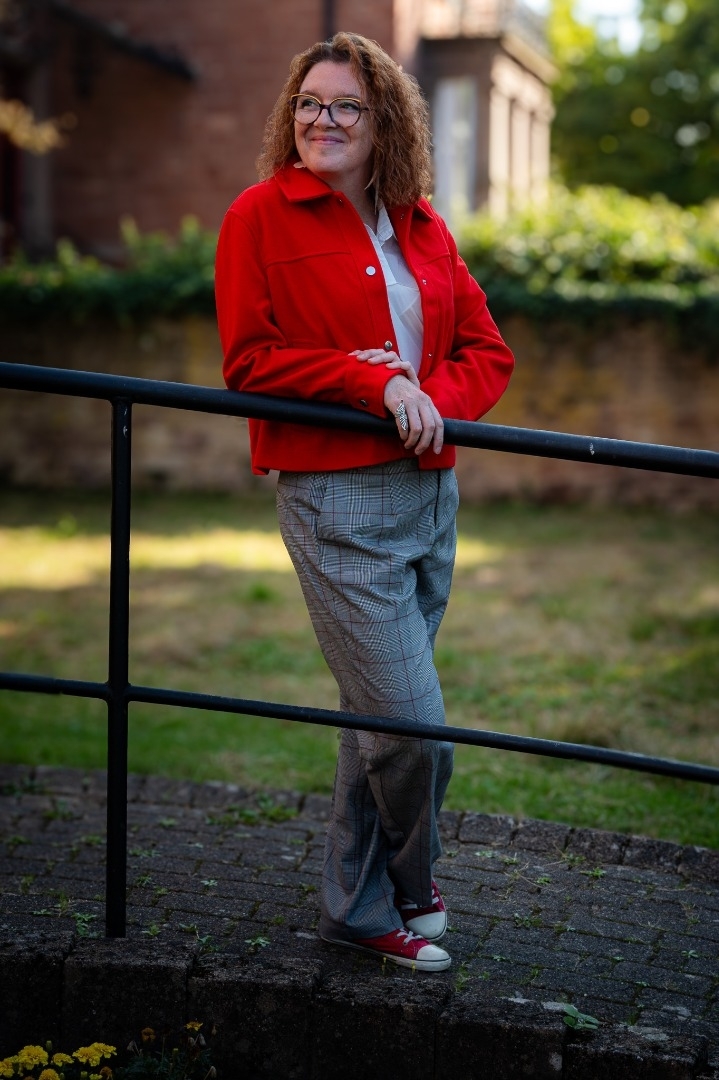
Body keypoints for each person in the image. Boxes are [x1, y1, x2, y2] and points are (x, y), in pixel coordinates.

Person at [215, 31, 514, 973]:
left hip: (429, 498)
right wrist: (370, 382)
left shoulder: (421, 224)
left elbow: (486, 352)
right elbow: (250, 360)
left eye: (347, 105)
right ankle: (414, 878)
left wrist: (429, 402)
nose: (324, 120)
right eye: (309, 103)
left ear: (384, 121)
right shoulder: (259, 216)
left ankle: (355, 908)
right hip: (335, 502)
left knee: (375, 722)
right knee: (414, 730)